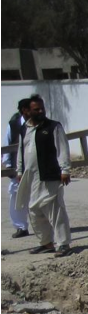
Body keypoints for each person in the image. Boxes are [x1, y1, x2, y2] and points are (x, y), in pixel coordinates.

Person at [15, 97, 73, 257]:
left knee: (56, 211)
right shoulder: (24, 129)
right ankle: (46, 243)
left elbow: (62, 148)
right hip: (31, 178)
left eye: (42, 108)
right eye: (36, 109)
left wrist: (65, 170)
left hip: (50, 176)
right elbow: (21, 150)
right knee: (34, 211)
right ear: (27, 111)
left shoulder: (53, 127)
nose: (41, 111)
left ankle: (63, 244)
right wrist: (19, 171)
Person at [3, 98, 33, 238]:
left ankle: (45, 226)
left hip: (36, 167)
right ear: (24, 111)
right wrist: (9, 166)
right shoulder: (14, 124)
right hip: (18, 167)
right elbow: (8, 143)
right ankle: (21, 227)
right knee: (16, 196)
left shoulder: (42, 123)